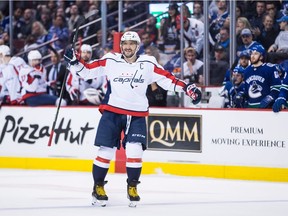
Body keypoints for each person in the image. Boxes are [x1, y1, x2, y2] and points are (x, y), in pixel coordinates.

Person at [63, 31, 201, 207]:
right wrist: (75, 62)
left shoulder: (148, 63)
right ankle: (98, 187)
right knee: (106, 151)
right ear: (121, 45)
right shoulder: (110, 59)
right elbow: (87, 71)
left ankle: (132, 187)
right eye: (125, 43)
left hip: (136, 113)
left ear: (138, 46)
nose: (128, 46)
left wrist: (187, 88)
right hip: (112, 111)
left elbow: (167, 79)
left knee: (135, 150)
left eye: (131, 43)